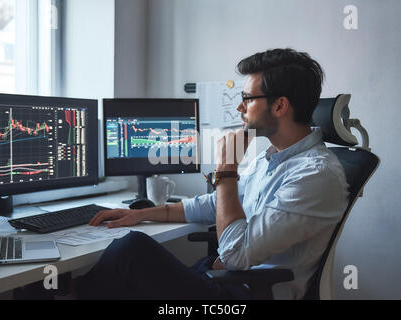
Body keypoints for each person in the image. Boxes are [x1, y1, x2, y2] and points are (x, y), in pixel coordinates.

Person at [72, 48, 349, 300]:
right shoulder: (273, 159)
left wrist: (226, 169)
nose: (240, 107)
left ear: (280, 106)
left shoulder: (315, 175)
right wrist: (142, 214)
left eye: (247, 99)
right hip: (223, 279)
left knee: (131, 251)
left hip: (243, 294)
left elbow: (235, 254)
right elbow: (216, 204)